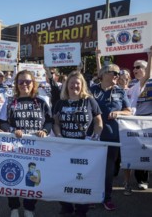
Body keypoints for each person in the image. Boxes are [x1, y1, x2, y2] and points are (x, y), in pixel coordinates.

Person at [53, 71, 103, 217]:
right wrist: (58, 135)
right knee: (63, 177)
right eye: (72, 82)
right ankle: (66, 206)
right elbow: (55, 123)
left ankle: (81, 210)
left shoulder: (89, 101)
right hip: (65, 147)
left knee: (83, 179)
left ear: (82, 85)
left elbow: (98, 122)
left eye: (78, 83)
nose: (74, 85)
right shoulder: (60, 103)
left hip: (85, 148)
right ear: (67, 85)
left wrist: (95, 136)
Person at [7, 70, 53, 217]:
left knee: (31, 177)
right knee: (13, 175)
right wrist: (13, 130)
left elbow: (49, 121)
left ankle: (29, 207)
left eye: (28, 81)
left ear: (33, 84)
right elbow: (2, 122)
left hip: (35, 147)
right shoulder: (10, 102)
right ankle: (14, 207)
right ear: (16, 84)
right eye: (21, 82)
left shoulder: (41, 102)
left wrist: (45, 131)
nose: (24, 84)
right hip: (15, 146)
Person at [93, 53, 132, 211]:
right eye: (113, 73)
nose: (117, 75)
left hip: (112, 136)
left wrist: (119, 113)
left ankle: (106, 197)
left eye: (118, 73)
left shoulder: (120, 92)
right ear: (103, 75)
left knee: (109, 169)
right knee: (92, 167)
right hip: (93, 136)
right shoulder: (92, 89)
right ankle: (91, 197)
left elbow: (128, 110)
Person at [128, 47, 152, 191]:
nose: (135, 69)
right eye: (134, 67)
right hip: (135, 123)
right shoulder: (131, 85)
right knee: (140, 151)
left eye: (138, 67)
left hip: (149, 121)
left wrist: (149, 57)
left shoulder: (147, 81)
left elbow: (148, 75)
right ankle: (141, 180)